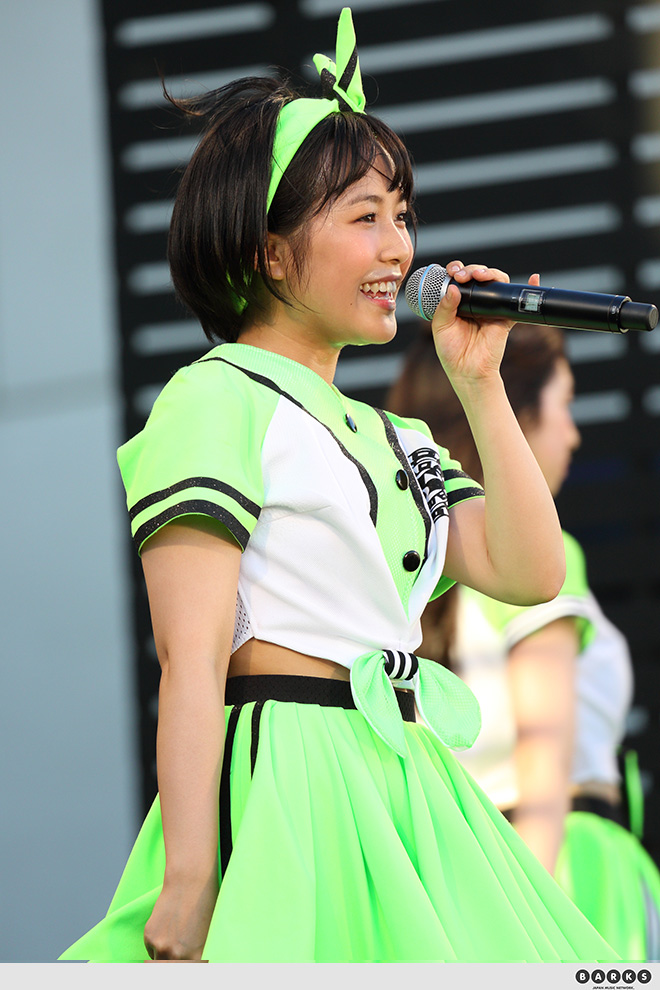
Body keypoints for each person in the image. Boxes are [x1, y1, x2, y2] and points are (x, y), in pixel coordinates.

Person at [59, 9, 617, 963]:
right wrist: (190, 877)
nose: (399, 248)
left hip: (410, 784)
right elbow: (191, 660)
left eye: (402, 216)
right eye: (364, 217)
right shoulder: (216, 396)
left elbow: (530, 571)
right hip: (292, 775)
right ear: (268, 251)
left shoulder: (397, 436)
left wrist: (481, 384)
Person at [387, 321, 660, 960]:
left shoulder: (422, 565)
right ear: (521, 417)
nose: (574, 433)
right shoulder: (540, 564)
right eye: (566, 405)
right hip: (568, 873)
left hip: (472, 881)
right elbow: (545, 769)